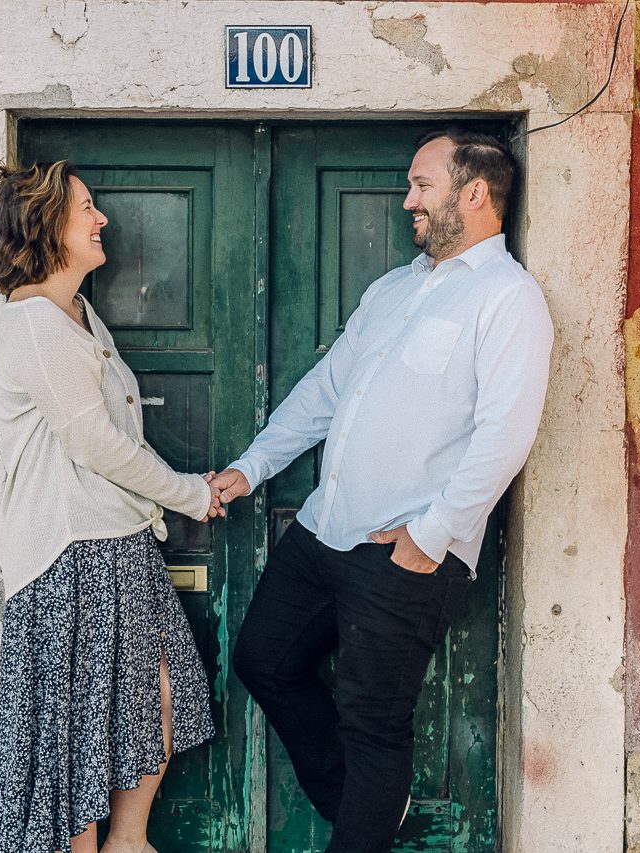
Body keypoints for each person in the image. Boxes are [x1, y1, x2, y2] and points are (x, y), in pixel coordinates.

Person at [211, 127, 554, 853]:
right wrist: (255, 464)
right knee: (264, 660)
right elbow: (328, 390)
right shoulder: (394, 287)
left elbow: (505, 435)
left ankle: (364, 820)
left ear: (475, 193)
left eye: (423, 186)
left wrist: (430, 538)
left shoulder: (507, 299)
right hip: (323, 530)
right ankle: (369, 809)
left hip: (406, 551)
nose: (408, 201)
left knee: (374, 725)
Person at [0, 161, 222, 853]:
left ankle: (128, 839)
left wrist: (179, 494)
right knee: (74, 735)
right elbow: (98, 445)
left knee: (161, 694)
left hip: (121, 542)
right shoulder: (34, 325)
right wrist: (191, 494)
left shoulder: (76, 313)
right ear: (49, 226)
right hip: (69, 551)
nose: (101, 217)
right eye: (87, 207)